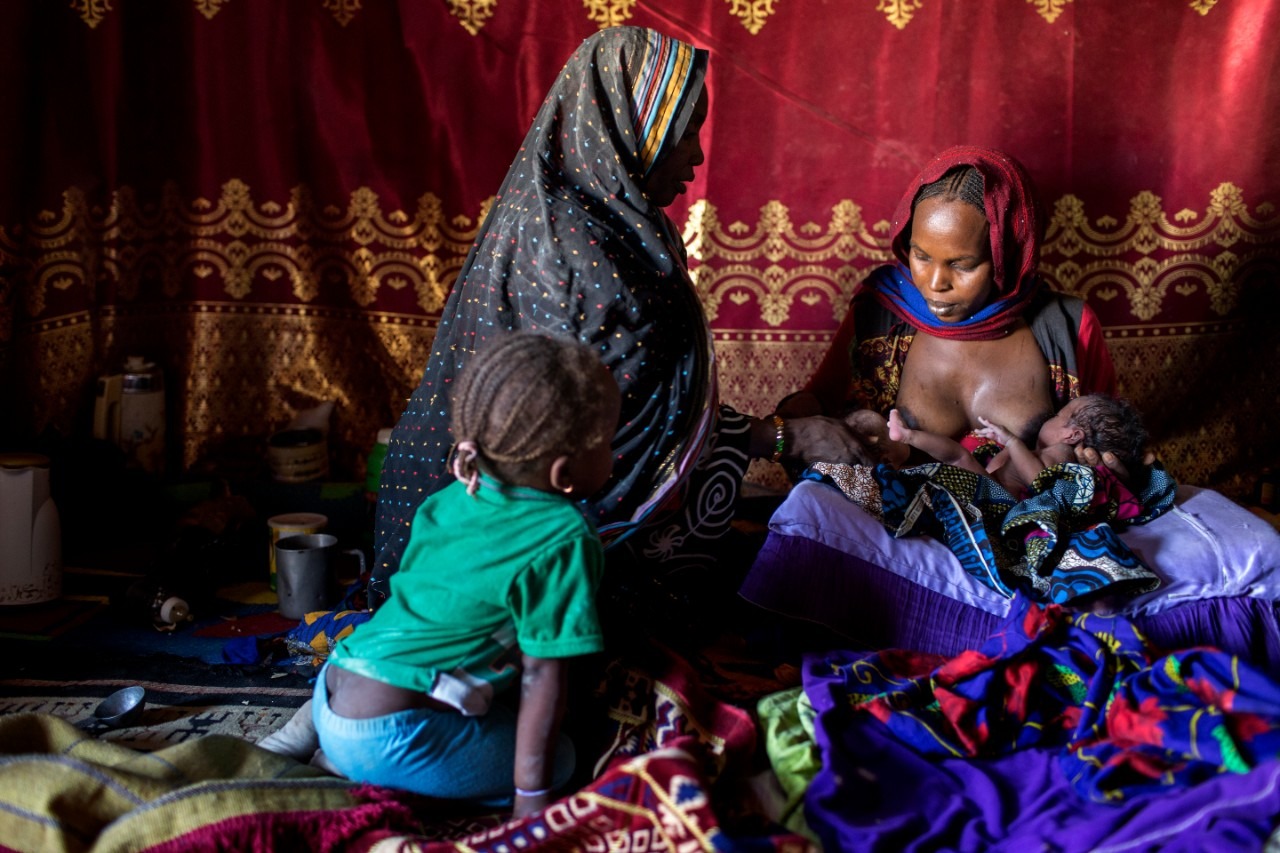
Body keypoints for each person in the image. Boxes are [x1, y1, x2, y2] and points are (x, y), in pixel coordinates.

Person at [371, 26, 867, 609]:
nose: (698, 154)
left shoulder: (589, 207)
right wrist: (779, 437)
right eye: (685, 132)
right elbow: (620, 432)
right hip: (501, 546)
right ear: (632, 126)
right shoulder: (579, 252)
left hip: (455, 513)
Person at [311, 332, 620, 817]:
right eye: (606, 442)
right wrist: (531, 801)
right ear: (562, 472)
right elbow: (543, 676)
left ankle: (336, 754)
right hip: (388, 732)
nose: (612, 452)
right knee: (565, 758)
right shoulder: (564, 538)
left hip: (331, 689)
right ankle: (373, 768)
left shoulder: (450, 498)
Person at [780, 145, 1119, 467]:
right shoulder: (879, 313)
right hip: (895, 525)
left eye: (962, 265)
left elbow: (1106, 435)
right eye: (921, 256)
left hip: (1029, 526)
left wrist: (1108, 465)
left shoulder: (1067, 327)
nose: (934, 282)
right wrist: (780, 429)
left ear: (1008, 257)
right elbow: (816, 405)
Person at [885, 394, 1148, 496]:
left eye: (1059, 416)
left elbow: (1040, 480)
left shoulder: (1062, 456)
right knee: (957, 457)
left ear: (1072, 435)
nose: (1052, 416)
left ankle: (908, 437)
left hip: (998, 499)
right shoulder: (1044, 451)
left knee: (957, 457)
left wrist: (1012, 441)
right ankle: (906, 435)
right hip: (991, 485)